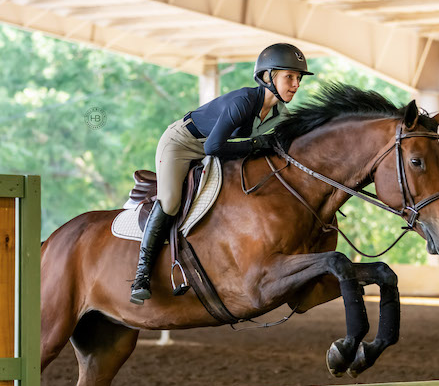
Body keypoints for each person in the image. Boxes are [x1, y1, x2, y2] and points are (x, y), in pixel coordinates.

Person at [129, 42, 313, 305]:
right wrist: (257, 144)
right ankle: (142, 274)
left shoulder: (280, 114)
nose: (295, 84)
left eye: (298, 78)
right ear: (267, 77)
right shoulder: (243, 101)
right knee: (170, 201)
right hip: (182, 143)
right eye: (289, 77)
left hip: (220, 149)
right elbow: (212, 147)